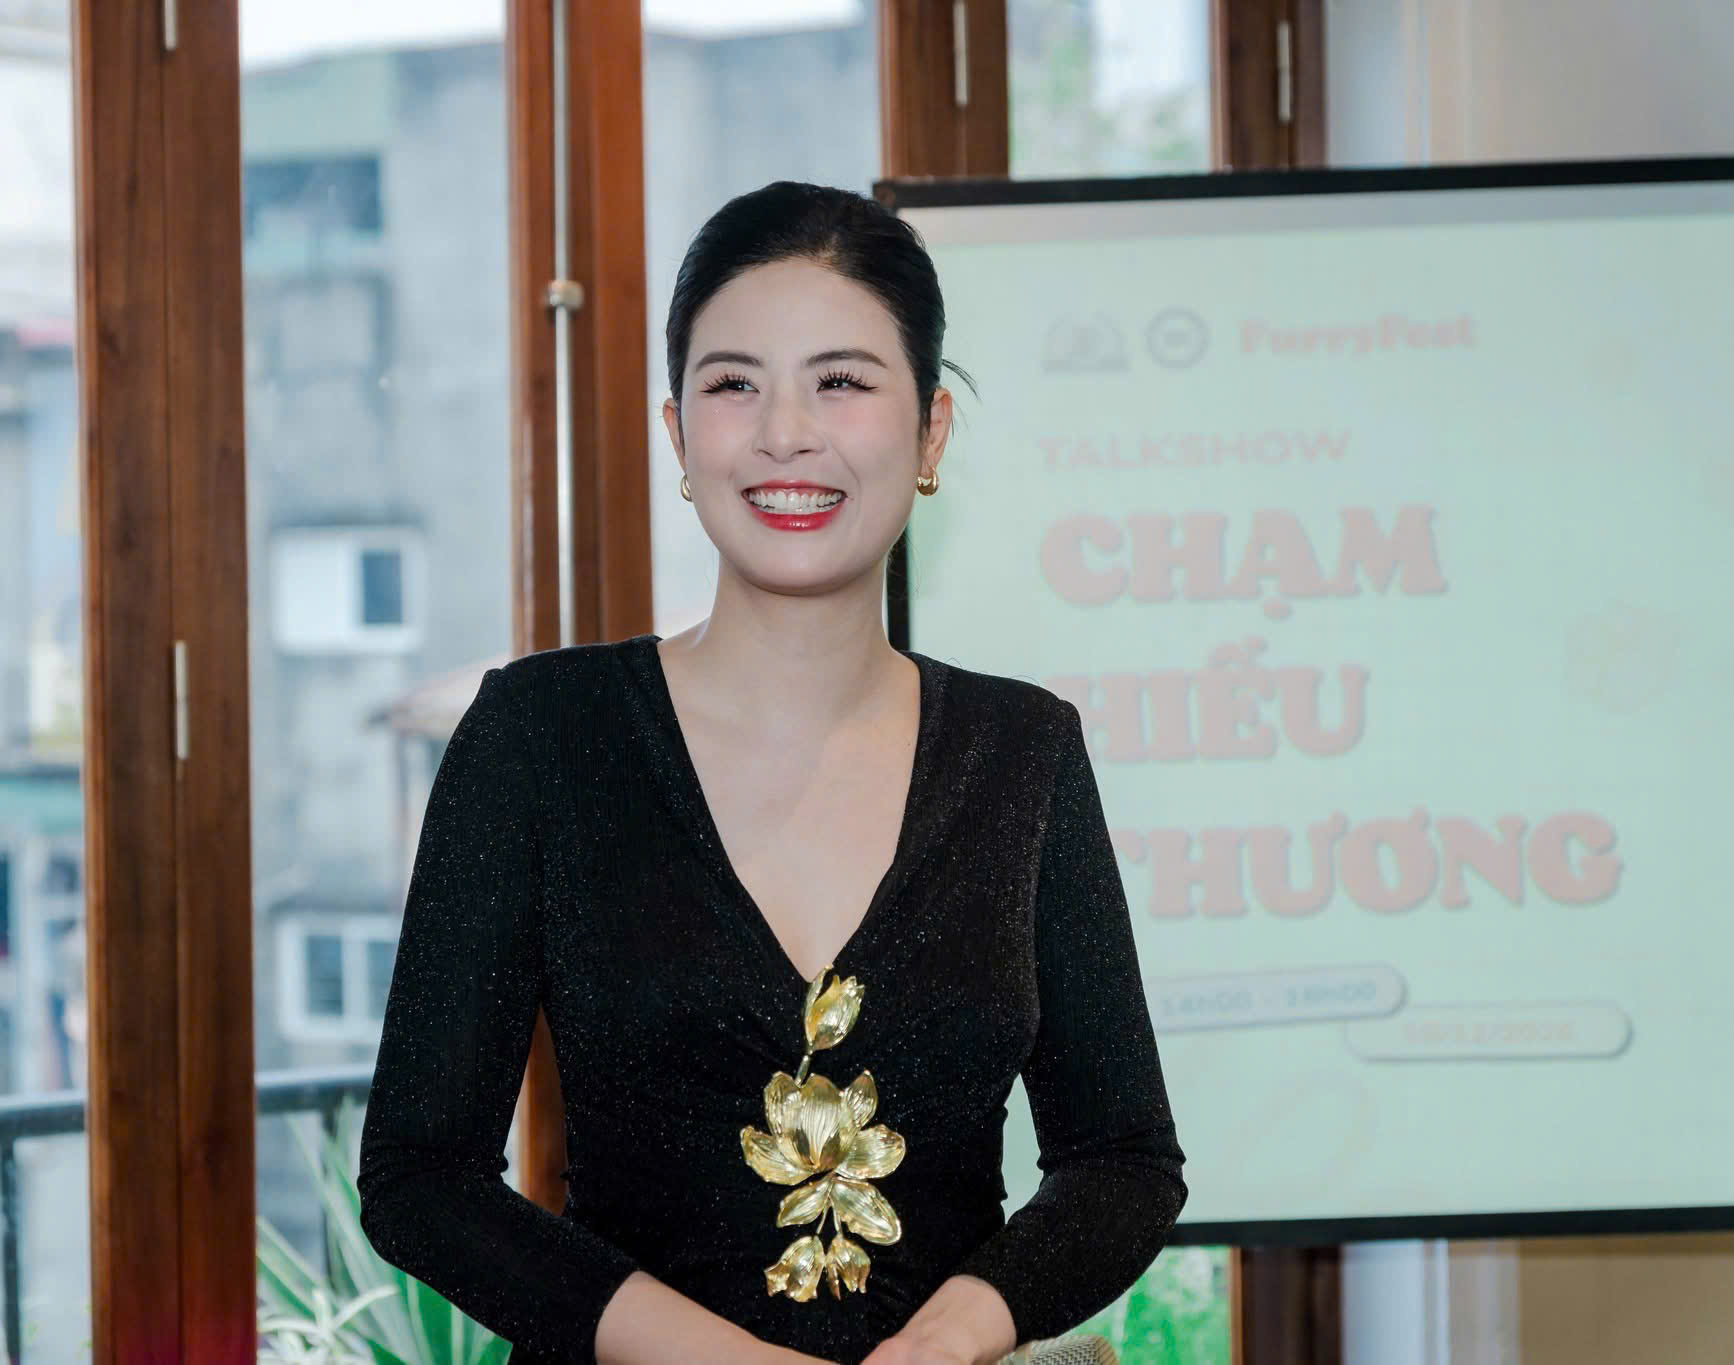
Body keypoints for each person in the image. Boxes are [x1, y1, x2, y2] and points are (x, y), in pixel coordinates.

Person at [357, 181, 1186, 1365]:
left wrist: (945, 1341)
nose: (784, 432)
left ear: (930, 432)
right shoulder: (540, 735)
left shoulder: (1022, 752)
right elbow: (421, 1176)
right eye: (733, 384)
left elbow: (1121, 1160)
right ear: (677, 434)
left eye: (839, 381)